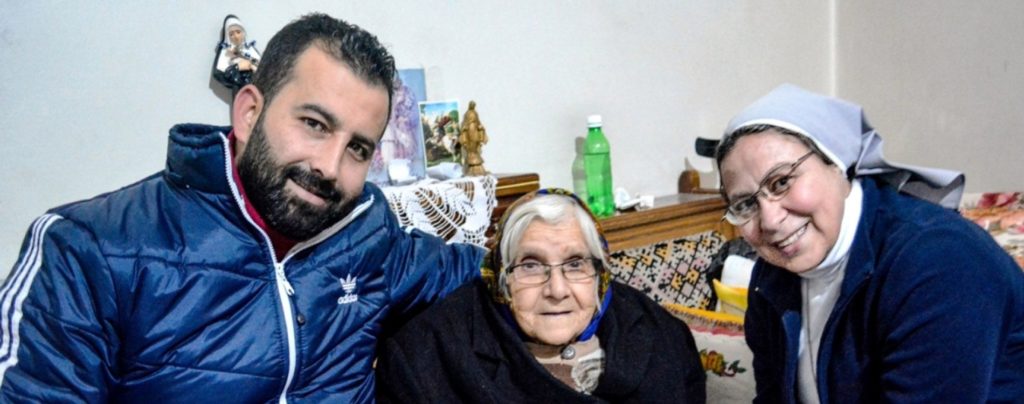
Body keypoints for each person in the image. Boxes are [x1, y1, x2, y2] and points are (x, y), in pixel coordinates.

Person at [0, 13, 484, 403]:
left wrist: (528, 230)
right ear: (250, 112)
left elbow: (485, 268)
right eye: (314, 124)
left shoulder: (366, 231)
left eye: (358, 148)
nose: (329, 167)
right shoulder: (88, 251)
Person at [715, 84, 1024, 403]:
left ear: (836, 163)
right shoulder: (770, 280)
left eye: (781, 182)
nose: (769, 220)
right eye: (746, 204)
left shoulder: (940, 261)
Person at [376, 188, 707, 403]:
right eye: (531, 266)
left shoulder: (662, 335)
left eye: (575, 264)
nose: (557, 290)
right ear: (500, 277)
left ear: (600, 274)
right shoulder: (428, 358)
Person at [213, 14, 262, 92]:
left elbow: (261, 66)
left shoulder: (249, 49)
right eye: (231, 34)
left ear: (243, 32)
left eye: (238, 32)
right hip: (241, 91)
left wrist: (252, 66)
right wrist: (237, 67)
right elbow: (219, 74)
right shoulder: (226, 52)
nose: (236, 37)